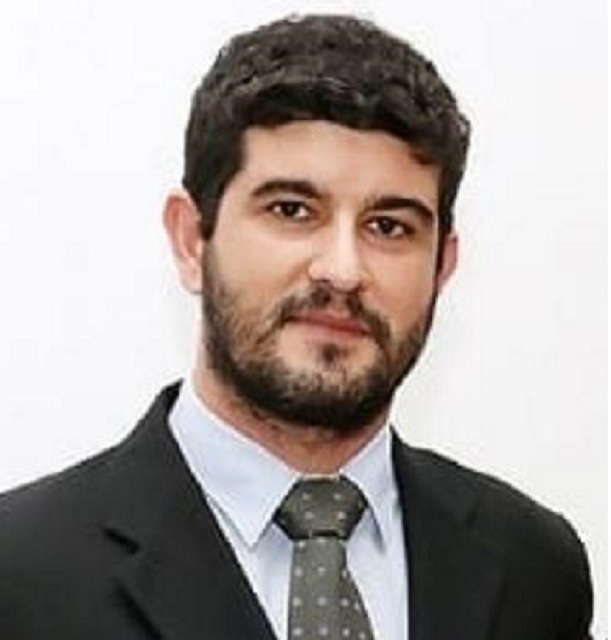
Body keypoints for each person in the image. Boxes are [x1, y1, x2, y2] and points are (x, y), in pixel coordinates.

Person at [0, 14, 593, 640]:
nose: (343, 270)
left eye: (389, 226)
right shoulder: (20, 576)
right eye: (292, 210)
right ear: (191, 239)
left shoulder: (532, 569)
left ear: (442, 266)